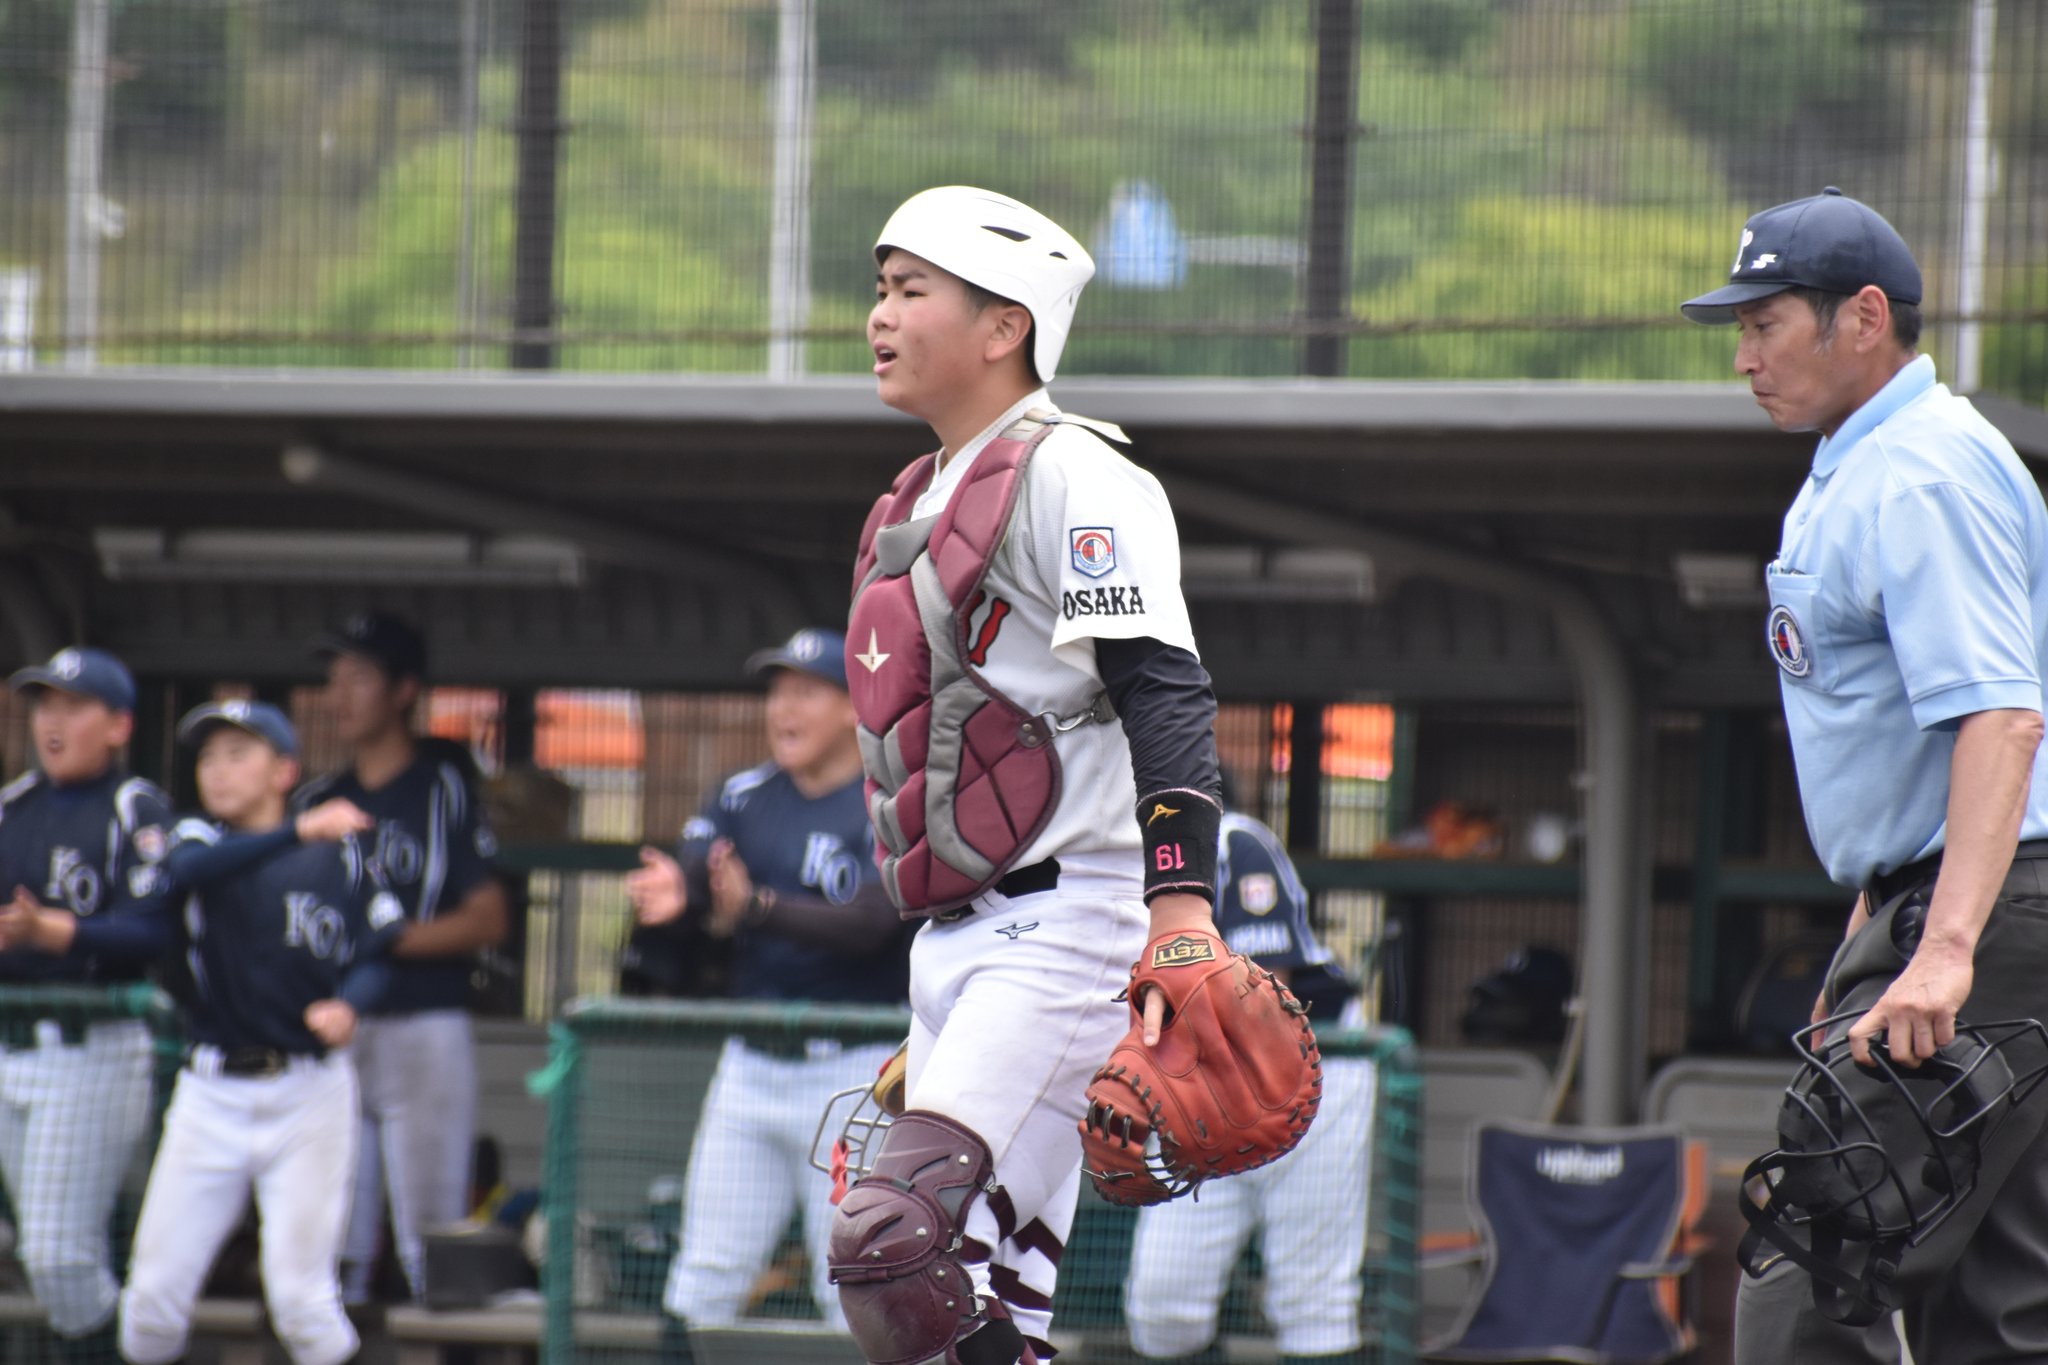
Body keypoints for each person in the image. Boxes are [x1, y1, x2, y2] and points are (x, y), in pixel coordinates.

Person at [828, 185, 1226, 1365]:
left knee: (892, 1246)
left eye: (910, 291)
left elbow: (1162, 685)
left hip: (1067, 924)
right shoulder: (914, 494)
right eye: (879, 289)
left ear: (1004, 325)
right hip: (959, 940)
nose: (877, 315)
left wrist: (1181, 911)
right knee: (973, 1295)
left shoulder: (1074, 472)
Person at [1683, 188, 2048, 1363]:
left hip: (1988, 914)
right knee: (1995, 1305)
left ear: (1863, 317)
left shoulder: (1918, 471)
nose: (1742, 357)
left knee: (1813, 1261)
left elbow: (1998, 718)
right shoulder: (1870, 461)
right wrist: (1871, 933)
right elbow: (1904, 747)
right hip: (1970, 902)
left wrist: (1939, 947)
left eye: (1763, 324)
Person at [0, 700, 401, 1365]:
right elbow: (187, 873)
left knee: (302, 1304)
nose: (217, 769)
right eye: (208, 756)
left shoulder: (339, 853)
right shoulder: (194, 835)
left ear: (285, 770)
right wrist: (297, 830)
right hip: (212, 1092)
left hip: (309, 1093)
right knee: (151, 1307)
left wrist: (350, 1006)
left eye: (238, 755)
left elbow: (380, 950)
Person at [624, 627, 909, 1355]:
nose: (784, 708)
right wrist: (682, 889)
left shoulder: (887, 802)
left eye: (807, 692)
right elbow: (700, 862)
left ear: (853, 706)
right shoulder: (744, 793)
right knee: (706, 1275)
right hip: (751, 1068)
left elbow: (871, 925)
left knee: (849, 1283)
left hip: (855, 1075)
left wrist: (754, 907)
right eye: (778, 691)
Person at [296, 611, 506, 1303]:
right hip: (336, 1029)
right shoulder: (318, 801)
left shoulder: (441, 786)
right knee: (334, 1242)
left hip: (425, 1023)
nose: (340, 695)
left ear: (404, 690)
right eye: (334, 679)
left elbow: (489, 917)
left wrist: (387, 939)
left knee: (429, 1240)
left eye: (359, 678)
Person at [1121, 809, 1373, 1365]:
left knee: (1313, 1305)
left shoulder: (1229, 842)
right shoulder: (1088, 855)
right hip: (1198, 1081)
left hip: (1311, 1066)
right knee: (1163, 1310)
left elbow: (1265, 987)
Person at [0, 647, 170, 1360]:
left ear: (119, 725)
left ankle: (112, 1353)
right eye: (46, 704)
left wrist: (58, 932)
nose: (53, 721)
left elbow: (158, 927)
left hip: (93, 1044)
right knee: (38, 1251)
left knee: (59, 1254)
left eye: (74, 707)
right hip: (10, 1044)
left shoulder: (135, 806)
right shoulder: (13, 805)